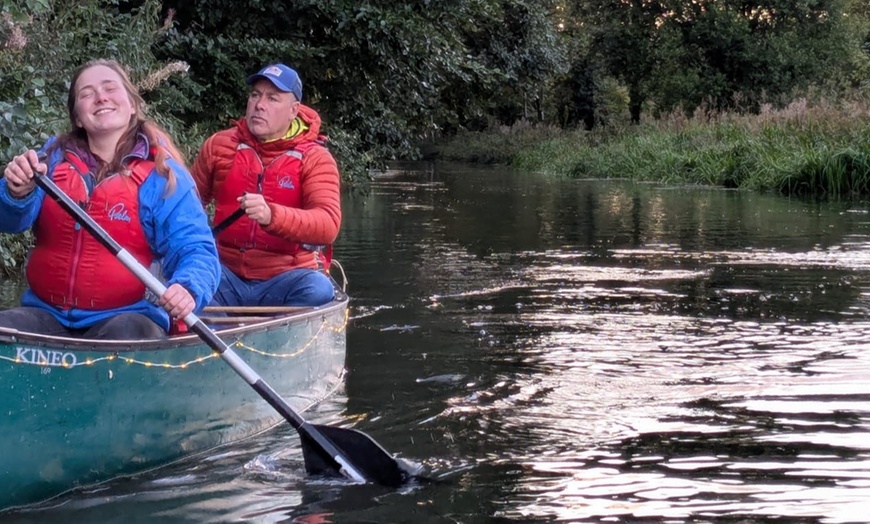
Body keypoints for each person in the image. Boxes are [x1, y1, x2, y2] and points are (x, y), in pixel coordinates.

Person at [0, 59, 220, 339]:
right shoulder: (50, 161)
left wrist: (188, 287)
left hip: (129, 316)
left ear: (132, 106)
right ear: (78, 117)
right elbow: (8, 221)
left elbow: (196, 247)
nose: (100, 97)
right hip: (46, 313)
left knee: (126, 333)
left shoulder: (163, 176)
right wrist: (17, 192)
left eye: (110, 88)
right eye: (86, 93)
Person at [191, 63, 340, 307]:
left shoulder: (315, 158)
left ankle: (266, 330)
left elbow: (327, 225)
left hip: (286, 277)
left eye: (272, 98)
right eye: (255, 95)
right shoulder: (219, 146)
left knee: (319, 289)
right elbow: (187, 206)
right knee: (183, 278)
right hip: (225, 273)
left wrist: (272, 215)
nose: (259, 105)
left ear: (293, 110)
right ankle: (219, 329)